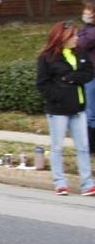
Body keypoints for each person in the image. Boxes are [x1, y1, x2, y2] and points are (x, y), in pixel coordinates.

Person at [36, 20, 95, 196]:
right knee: (57, 147)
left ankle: (87, 184)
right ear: (62, 37)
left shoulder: (80, 53)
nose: (77, 38)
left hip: (78, 108)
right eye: (73, 36)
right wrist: (57, 96)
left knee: (83, 147)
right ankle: (60, 182)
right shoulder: (47, 57)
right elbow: (42, 84)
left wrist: (70, 79)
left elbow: (89, 72)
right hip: (58, 110)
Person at [77, 0, 95, 151]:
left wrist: (80, 33)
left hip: (92, 75)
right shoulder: (87, 28)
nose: (85, 12)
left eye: (89, 9)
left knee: (90, 112)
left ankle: (91, 146)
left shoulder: (92, 31)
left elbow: (80, 43)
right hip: (88, 73)